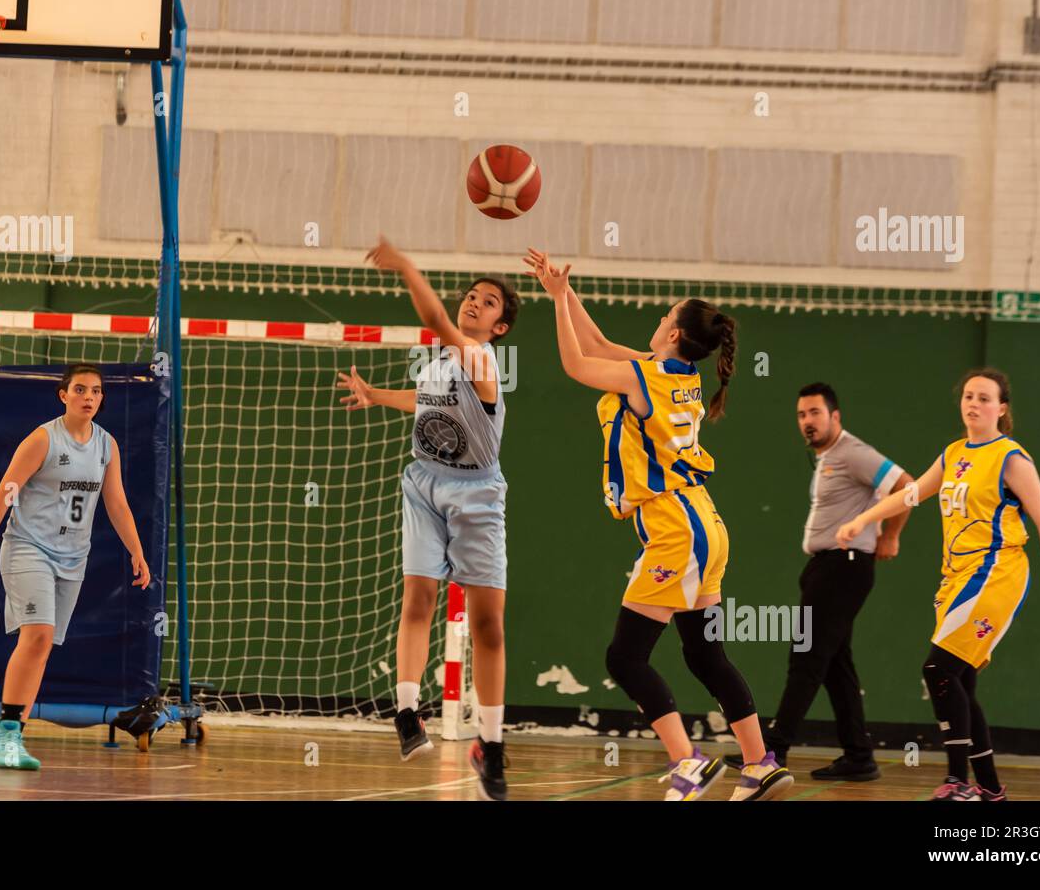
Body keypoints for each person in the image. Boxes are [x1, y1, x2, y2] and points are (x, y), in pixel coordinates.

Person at [525, 249, 792, 801]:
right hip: (705, 523)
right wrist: (563, 290)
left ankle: (688, 762)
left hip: (677, 528)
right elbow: (595, 348)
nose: (658, 320)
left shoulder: (644, 378)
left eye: (664, 316)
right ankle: (758, 761)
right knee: (704, 654)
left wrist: (554, 303)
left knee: (624, 657)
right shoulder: (678, 375)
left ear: (672, 335)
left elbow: (577, 365)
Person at [838, 368, 1040, 800]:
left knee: (938, 669)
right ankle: (989, 788)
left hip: (998, 572)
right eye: (969, 396)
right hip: (957, 576)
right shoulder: (953, 454)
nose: (974, 404)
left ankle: (957, 782)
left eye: (984, 398)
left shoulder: (1011, 458)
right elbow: (912, 493)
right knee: (960, 681)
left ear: (1001, 409)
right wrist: (863, 519)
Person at [338, 236, 520, 801]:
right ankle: (407, 711)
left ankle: (489, 744)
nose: (474, 303)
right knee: (418, 598)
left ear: (501, 327)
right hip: (423, 482)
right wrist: (375, 395)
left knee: (489, 624)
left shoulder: (482, 359)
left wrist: (408, 268)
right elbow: (426, 402)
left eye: (488, 302)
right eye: (472, 295)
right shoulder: (442, 365)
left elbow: (437, 318)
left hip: (476, 495)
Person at [0, 364, 151, 770]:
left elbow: (116, 503)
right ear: (63, 395)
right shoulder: (42, 440)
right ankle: (8, 733)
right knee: (37, 635)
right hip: (27, 548)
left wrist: (136, 550)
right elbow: (4, 494)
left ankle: (10, 732)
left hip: (72, 557)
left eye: (96, 391)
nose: (89, 397)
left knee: (43, 647)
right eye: (80, 389)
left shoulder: (106, 446)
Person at [741, 383, 912, 779]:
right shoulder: (829, 458)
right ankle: (859, 757)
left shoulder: (852, 452)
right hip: (828, 568)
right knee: (836, 666)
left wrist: (890, 535)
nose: (807, 422)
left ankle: (771, 753)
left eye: (815, 413)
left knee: (807, 658)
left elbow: (907, 486)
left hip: (844, 567)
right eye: (801, 415)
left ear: (835, 416)